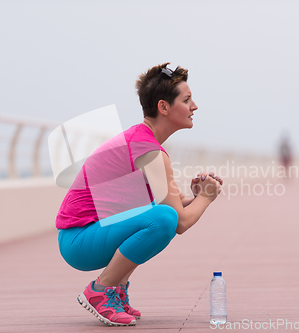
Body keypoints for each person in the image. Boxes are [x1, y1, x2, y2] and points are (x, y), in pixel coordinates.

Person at [56, 63, 223, 326]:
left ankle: (116, 290)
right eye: (187, 99)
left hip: (83, 236)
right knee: (163, 220)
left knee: (159, 213)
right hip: (79, 241)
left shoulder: (143, 142)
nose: (195, 106)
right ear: (163, 107)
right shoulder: (150, 151)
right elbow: (178, 221)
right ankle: (101, 290)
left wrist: (194, 196)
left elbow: (171, 204)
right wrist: (206, 198)